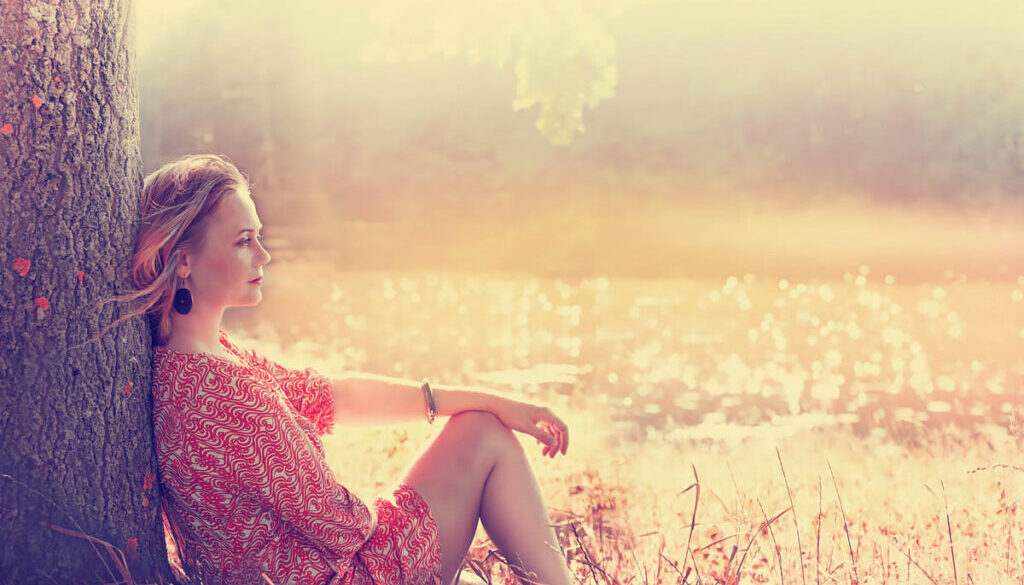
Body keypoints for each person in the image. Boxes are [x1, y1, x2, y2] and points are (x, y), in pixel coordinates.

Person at [102, 154, 574, 585]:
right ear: (184, 260)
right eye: (244, 241)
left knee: (482, 424)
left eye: (259, 237)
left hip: (323, 569)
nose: (263, 256)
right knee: (483, 436)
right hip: (346, 578)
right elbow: (348, 527)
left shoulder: (195, 360)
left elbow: (330, 397)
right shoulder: (224, 395)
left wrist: (498, 402)